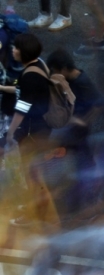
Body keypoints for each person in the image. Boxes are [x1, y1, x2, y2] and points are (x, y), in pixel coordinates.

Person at [0, 33, 59, 227]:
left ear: (24, 52)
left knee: (31, 173)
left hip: (33, 131)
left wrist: (10, 133)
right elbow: (23, 92)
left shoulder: (28, 77)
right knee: (34, 172)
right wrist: (2, 88)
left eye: (16, 48)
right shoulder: (39, 65)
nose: (13, 50)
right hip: (42, 127)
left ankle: (35, 214)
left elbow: (22, 108)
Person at [46, 49, 104, 125]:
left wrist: (84, 122)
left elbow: (100, 103)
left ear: (64, 69)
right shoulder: (69, 79)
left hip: (74, 126)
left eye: (54, 71)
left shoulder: (82, 82)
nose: (52, 75)